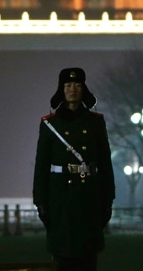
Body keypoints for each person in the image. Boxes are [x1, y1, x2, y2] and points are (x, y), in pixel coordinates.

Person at [33, 68, 115, 271]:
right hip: (61, 197)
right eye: (68, 85)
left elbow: (105, 162)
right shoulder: (50, 124)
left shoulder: (95, 122)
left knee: (88, 256)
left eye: (77, 85)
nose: (72, 89)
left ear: (83, 88)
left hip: (89, 196)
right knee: (63, 255)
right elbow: (42, 165)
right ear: (61, 90)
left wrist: (108, 198)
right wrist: (40, 201)